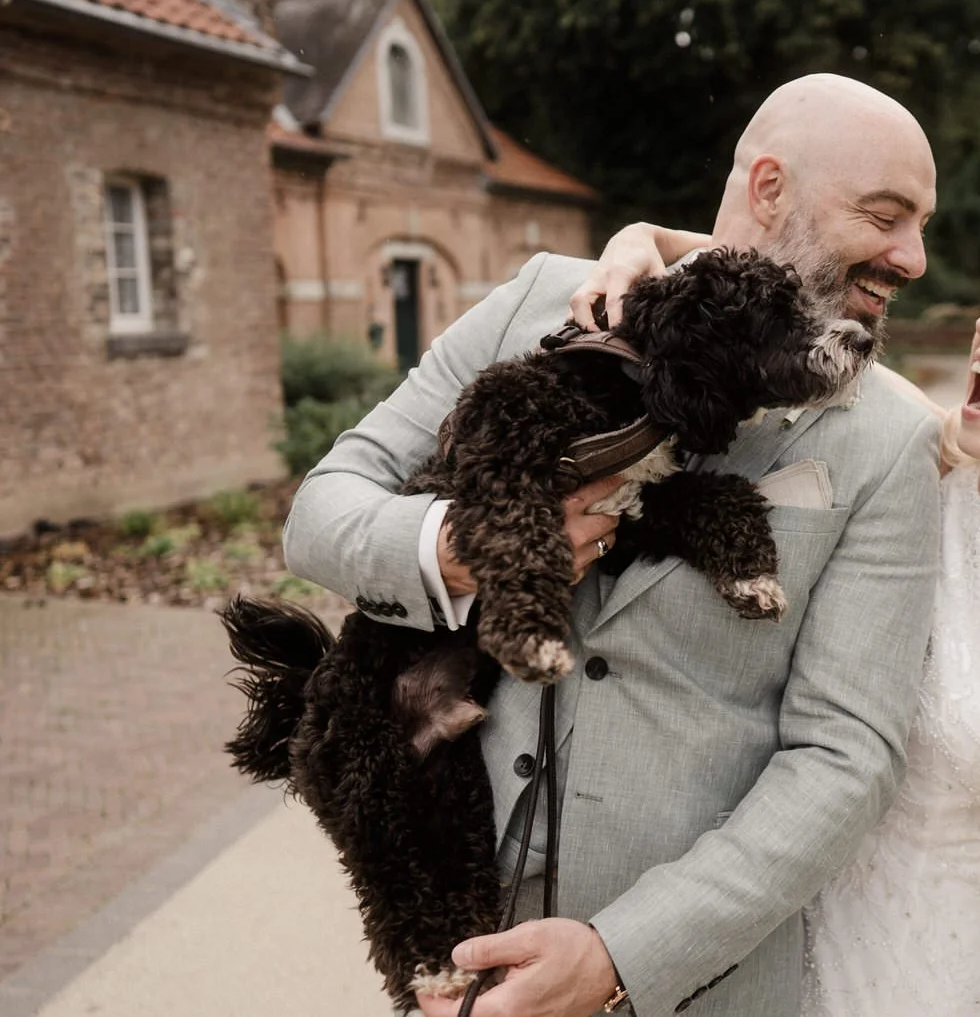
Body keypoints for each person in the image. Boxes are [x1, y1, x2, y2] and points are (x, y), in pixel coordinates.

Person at [281, 73, 942, 1017]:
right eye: (885, 215)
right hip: (459, 955)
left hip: (692, 986)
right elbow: (321, 510)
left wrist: (623, 954)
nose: (913, 256)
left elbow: (846, 756)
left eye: (921, 225)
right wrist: (462, 551)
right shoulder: (536, 301)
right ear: (768, 188)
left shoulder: (891, 438)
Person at [591, 214, 980, 1016]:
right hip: (757, 929)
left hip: (926, 968)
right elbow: (765, 272)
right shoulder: (909, 457)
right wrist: (642, 240)